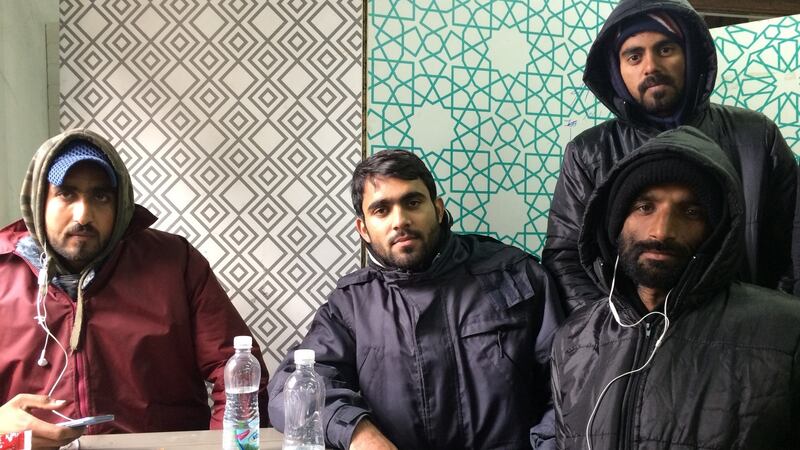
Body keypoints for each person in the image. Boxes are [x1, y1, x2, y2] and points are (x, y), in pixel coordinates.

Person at [267, 149, 563, 450]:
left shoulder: (514, 275)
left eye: (412, 202)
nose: (401, 220)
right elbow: (289, 390)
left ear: (437, 209)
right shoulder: (352, 305)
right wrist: (356, 432)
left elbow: (569, 386)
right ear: (363, 229)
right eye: (381, 210)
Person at [0, 129, 270, 445]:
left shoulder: (174, 263)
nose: (83, 215)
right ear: (38, 200)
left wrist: (223, 446)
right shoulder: (3, 273)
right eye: (66, 194)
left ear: (121, 204)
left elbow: (237, 371)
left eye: (100, 196)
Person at [550, 126, 800, 448]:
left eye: (690, 211)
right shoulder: (573, 339)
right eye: (645, 207)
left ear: (716, 231)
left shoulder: (786, 332)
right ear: (615, 222)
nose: (661, 231)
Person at [543, 0, 797, 312]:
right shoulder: (588, 152)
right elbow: (566, 257)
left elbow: (792, 248)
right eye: (634, 56)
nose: (650, 66)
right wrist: (614, 335)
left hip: (742, 345)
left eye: (665, 49)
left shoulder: (757, 136)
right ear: (616, 70)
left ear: (689, 55)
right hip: (627, 347)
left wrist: (773, 323)